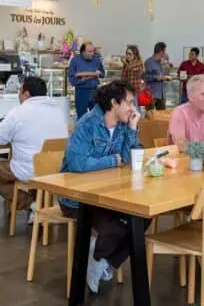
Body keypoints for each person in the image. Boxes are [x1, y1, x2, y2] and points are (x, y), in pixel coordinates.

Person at [59, 80, 141, 294]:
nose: (133, 108)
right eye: (130, 102)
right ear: (114, 103)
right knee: (117, 229)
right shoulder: (87, 124)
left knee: (141, 222)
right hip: (78, 199)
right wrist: (112, 161)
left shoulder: (123, 125)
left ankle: (102, 262)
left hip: (108, 193)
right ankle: (96, 258)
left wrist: (133, 129)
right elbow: (77, 164)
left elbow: (127, 158)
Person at [0, 77, 69, 224]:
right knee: (30, 163)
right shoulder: (57, 111)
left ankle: (32, 205)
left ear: (26, 94)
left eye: (19, 91)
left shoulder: (18, 112)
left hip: (30, 170)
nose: (18, 95)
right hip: (56, 169)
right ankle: (40, 207)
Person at [68, 42, 105, 119]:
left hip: (94, 92)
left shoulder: (96, 59)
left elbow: (102, 74)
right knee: (82, 118)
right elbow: (72, 80)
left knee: (96, 117)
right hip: (81, 92)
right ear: (83, 52)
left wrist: (99, 73)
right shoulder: (75, 61)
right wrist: (85, 79)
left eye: (93, 51)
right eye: (89, 52)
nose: (92, 54)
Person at [144, 42, 169, 110]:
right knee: (150, 116)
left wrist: (167, 65)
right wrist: (156, 77)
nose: (165, 53)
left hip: (162, 94)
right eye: (164, 51)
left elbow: (166, 74)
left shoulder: (162, 62)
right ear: (160, 51)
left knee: (161, 117)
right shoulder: (149, 62)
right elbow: (145, 76)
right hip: (151, 94)